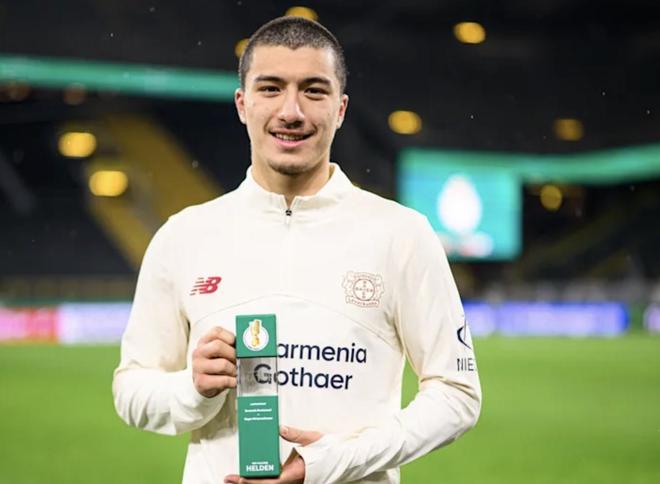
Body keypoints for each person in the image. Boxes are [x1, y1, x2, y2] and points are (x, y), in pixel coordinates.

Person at [113, 15, 481, 484]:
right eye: (270, 88)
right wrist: (192, 389)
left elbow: (457, 393)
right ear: (242, 104)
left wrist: (335, 461)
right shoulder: (183, 235)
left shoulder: (402, 234)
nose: (291, 111)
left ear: (340, 108)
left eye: (314, 90)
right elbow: (132, 390)